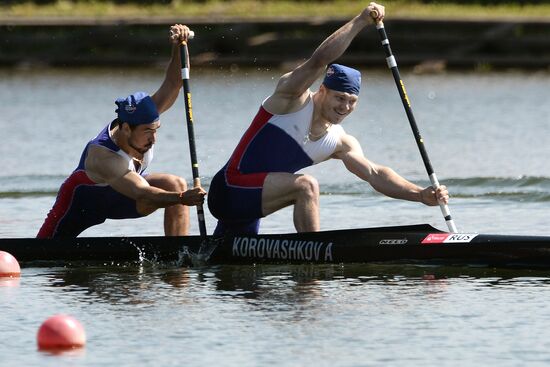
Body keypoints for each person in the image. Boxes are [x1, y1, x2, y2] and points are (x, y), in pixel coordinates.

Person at [207, 2, 450, 236]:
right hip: (228, 189)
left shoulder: (339, 141)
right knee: (306, 185)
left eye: (351, 101)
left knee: (224, 264)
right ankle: (314, 262)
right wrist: (360, 21)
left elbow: (375, 174)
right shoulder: (291, 99)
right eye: (339, 98)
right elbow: (318, 61)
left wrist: (420, 194)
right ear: (321, 90)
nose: (345, 107)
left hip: (251, 208)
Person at [38, 24, 206, 238]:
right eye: (147, 132)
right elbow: (141, 193)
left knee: (174, 183)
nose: (153, 138)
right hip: (79, 206)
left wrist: (178, 46)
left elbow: (174, 83)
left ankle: (180, 254)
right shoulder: (103, 155)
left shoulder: (144, 116)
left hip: (118, 199)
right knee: (44, 256)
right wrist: (182, 198)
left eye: (156, 130)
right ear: (126, 128)